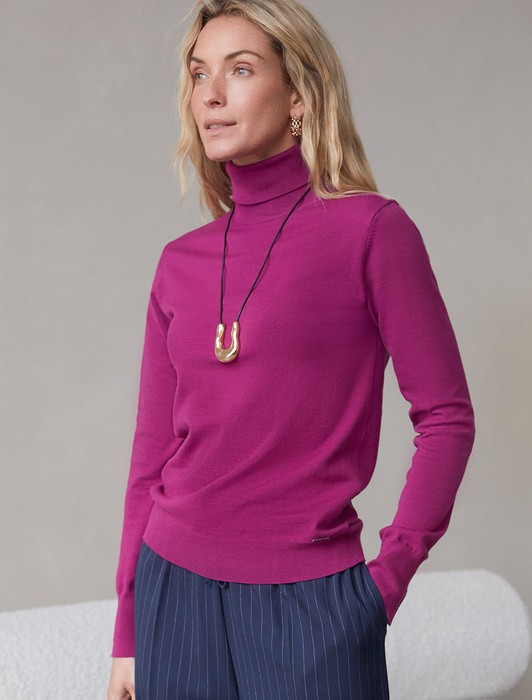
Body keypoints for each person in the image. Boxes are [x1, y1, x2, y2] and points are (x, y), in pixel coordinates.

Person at [107, 0, 476, 698]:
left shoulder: (372, 232)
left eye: (240, 70)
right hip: (172, 593)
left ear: (299, 95)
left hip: (313, 603)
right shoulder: (179, 263)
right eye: (199, 73)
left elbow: (447, 417)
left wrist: (384, 584)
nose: (211, 94)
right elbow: (150, 456)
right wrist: (128, 628)